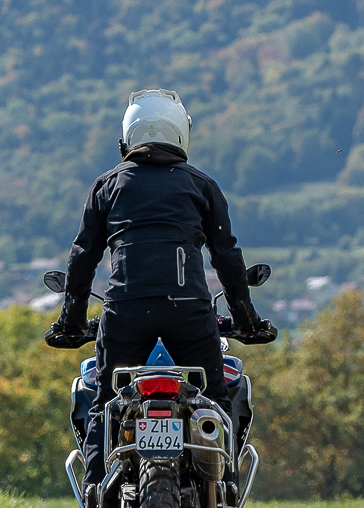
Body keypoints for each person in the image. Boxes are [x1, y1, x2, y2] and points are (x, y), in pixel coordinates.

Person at [49, 90, 270, 442]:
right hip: (189, 312)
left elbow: (83, 258)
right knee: (215, 402)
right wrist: (247, 321)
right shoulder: (202, 185)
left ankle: (94, 488)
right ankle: (224, 485)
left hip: (125, 311)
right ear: (181, 132)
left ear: (127, 135)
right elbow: (226, 257)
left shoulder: (107, 186)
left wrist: (71, 322)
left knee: (105, 407)